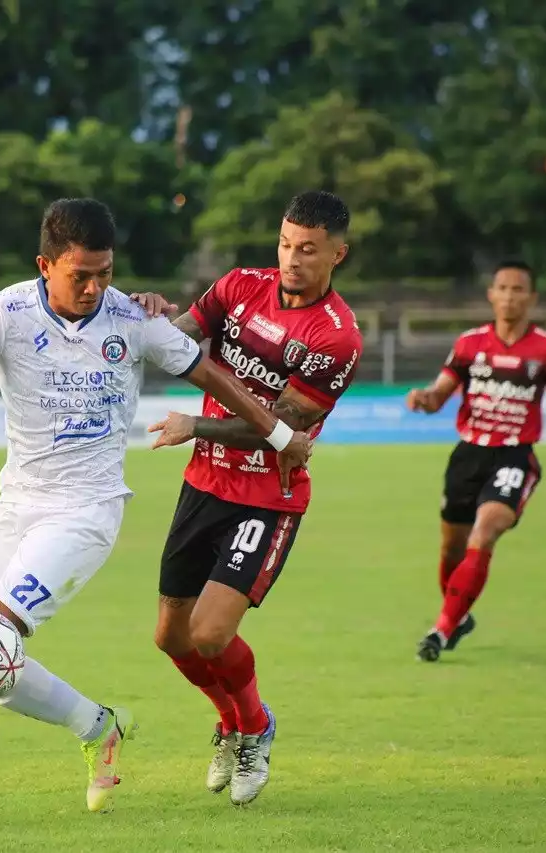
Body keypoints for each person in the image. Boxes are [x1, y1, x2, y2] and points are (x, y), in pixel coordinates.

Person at [0, 198, 313, 827]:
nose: (94, 288)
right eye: (79, 275)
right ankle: (98, 725)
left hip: (85, 513)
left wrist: (278, 435)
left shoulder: (130, 321)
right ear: (45, 265)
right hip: (15, 507)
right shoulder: (3, 311)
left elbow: (214, 376)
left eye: (105, 273)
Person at [130, 190, 363, 806]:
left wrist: (196, 425)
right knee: (170, 637)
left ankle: (256, 727)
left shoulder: (335, 337)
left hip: (267, 498)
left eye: (308, 249)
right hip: (203, 483)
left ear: (339, 254)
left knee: (209, 633)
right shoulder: (237, 287)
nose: (292, 258)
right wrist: (143, 315)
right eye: (286, 243)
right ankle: (230, 724)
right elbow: (174, 342)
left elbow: (281, 427)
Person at [405, 260, 546, 663]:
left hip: (514, 455)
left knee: (484, 531)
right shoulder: (470, 345)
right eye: (502, 288)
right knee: (451, 549)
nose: (509, 296)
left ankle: (440, 630)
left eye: (518, 289)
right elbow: (440, 393)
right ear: (491, 294)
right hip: (468, 454)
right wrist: (424, 398)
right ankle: (458, 614)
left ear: (532, 298)